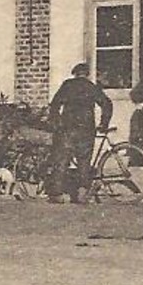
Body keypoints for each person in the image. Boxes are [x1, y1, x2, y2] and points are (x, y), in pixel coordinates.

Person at [47, 62, 113, 204]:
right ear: (87, 74)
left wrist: (56, 122)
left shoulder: (67, 85)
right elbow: (107, 104)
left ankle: (57, 194)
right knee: (84, 161)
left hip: (67, 129)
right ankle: (82, 193)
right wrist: (103, 123)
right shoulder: (91, 87)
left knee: (62, 160)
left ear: (75, 73)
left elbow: (55, 104)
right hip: (86, 129)